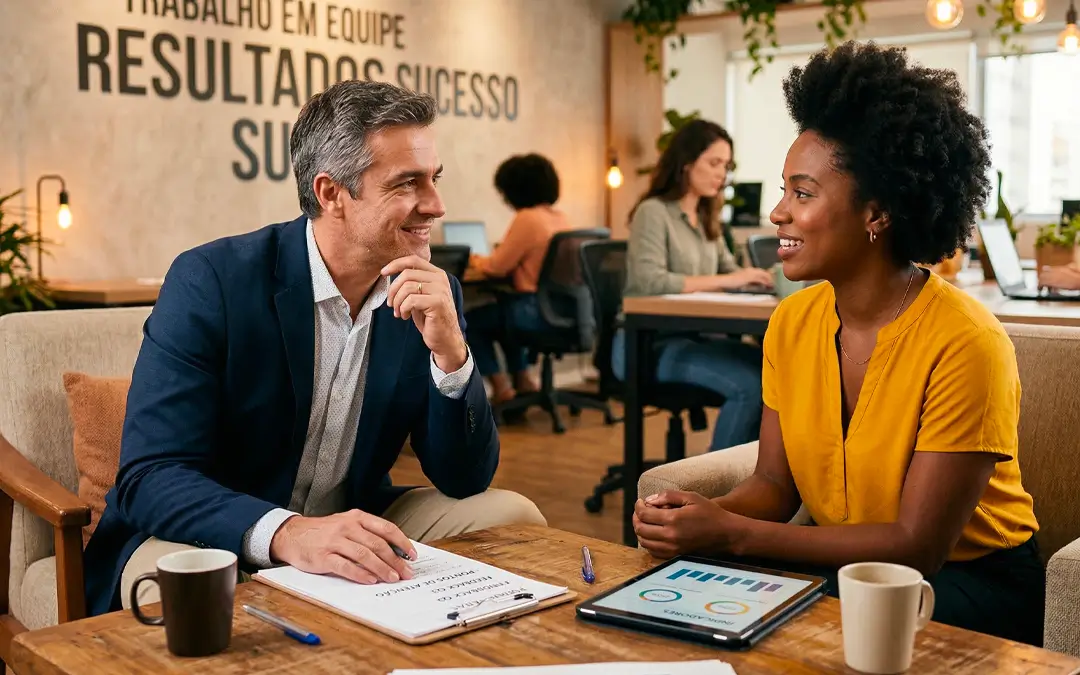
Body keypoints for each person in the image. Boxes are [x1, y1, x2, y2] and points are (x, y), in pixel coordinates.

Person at [632, 42, 1043, 646]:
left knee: (770, 624)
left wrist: (733, 535)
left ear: (876, 214)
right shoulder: (792, 323)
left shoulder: (967, 343)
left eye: (802, 193)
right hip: (840, 567)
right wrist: (700, 514)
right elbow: (775, 489)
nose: (777, 213)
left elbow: (916, 546)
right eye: (784, 191)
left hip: (965, 582)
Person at [83, 80, 546, 616]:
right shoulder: (211, 280)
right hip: (207, 529)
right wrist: (288, 533)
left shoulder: (430, 293)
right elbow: (151, 477)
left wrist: (452, 358)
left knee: (512, 515)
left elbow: (465, 479)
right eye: (407, 183)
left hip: (351, 514)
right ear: (331, 194)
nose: (436, 205)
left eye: (434, 179)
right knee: (184, 604)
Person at [612, 119, 775, 451]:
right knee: (750, 386)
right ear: (686, 162)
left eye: (725, 166)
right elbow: (649, 281)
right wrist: (730, 279)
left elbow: (730, 270)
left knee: (776, 374)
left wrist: (763, 277)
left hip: (693, 338)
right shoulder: (653, 212)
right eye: (714, 163)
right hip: (647, 346)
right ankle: (716, 482)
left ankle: (754, 476)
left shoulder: (704, 217)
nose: (721, 174)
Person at [464, 153, 572, 403]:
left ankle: (501, 388)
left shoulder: (528, 219)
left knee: (469, 322)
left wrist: (474, 259)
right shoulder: (560, 218)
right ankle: (523, 380)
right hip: (559, 309)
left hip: (533, 310)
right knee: (503, 315)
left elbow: (496, 268)